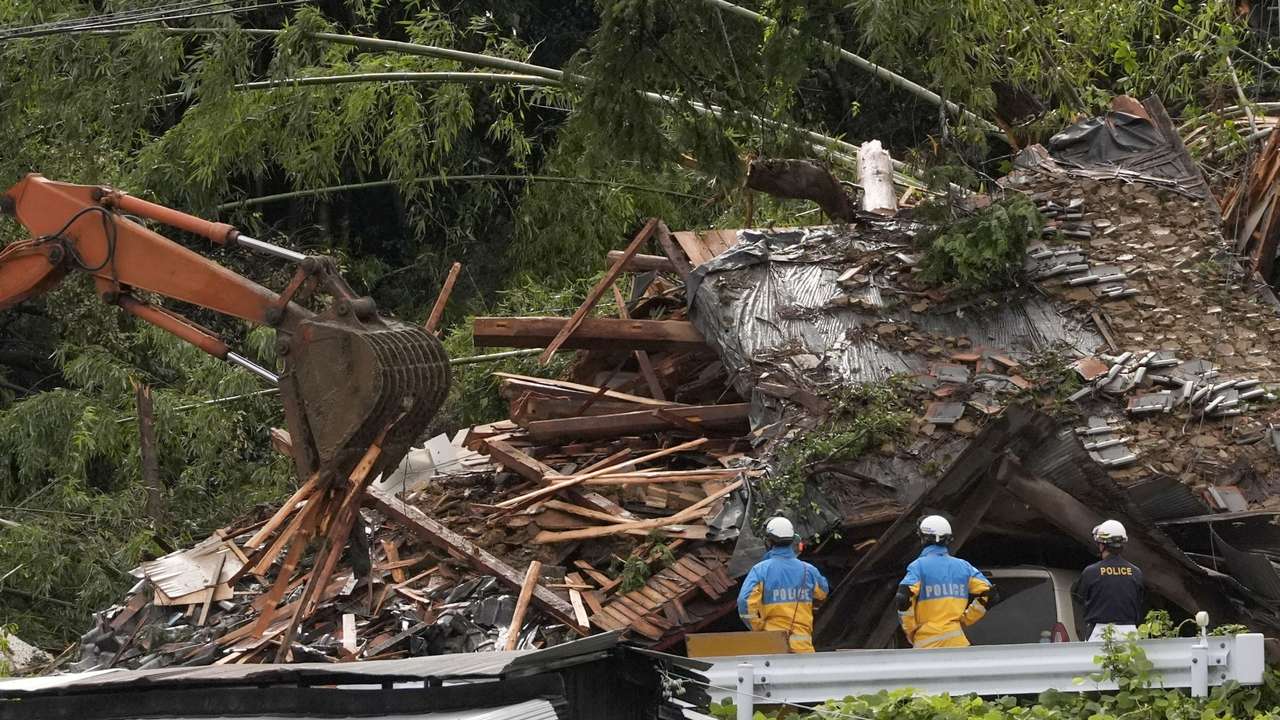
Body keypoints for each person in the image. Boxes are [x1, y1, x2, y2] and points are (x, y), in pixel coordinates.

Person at [895, 515, 997, 649]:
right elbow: (990, 594)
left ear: (924, 538)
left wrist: (911, 630)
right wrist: (965, 620)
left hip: (927, 644)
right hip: (957, 642)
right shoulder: (964, 567)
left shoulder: (918, 566)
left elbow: (903, 598)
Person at [737, 516, 829, 653]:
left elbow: (744, 602)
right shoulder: (808, 570)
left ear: (768, 541)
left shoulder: (760, 570)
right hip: (803, 648)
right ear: (793, 540)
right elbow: (822, 593)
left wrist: (758, 627)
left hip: (772, 646)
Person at [1072, 519, 1144, 642]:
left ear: (1102, 545)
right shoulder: (1136, 572)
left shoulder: (1091, 572)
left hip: (1099, 634)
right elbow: (1140, 601)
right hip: (1130, 633)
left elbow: (1078, 597)